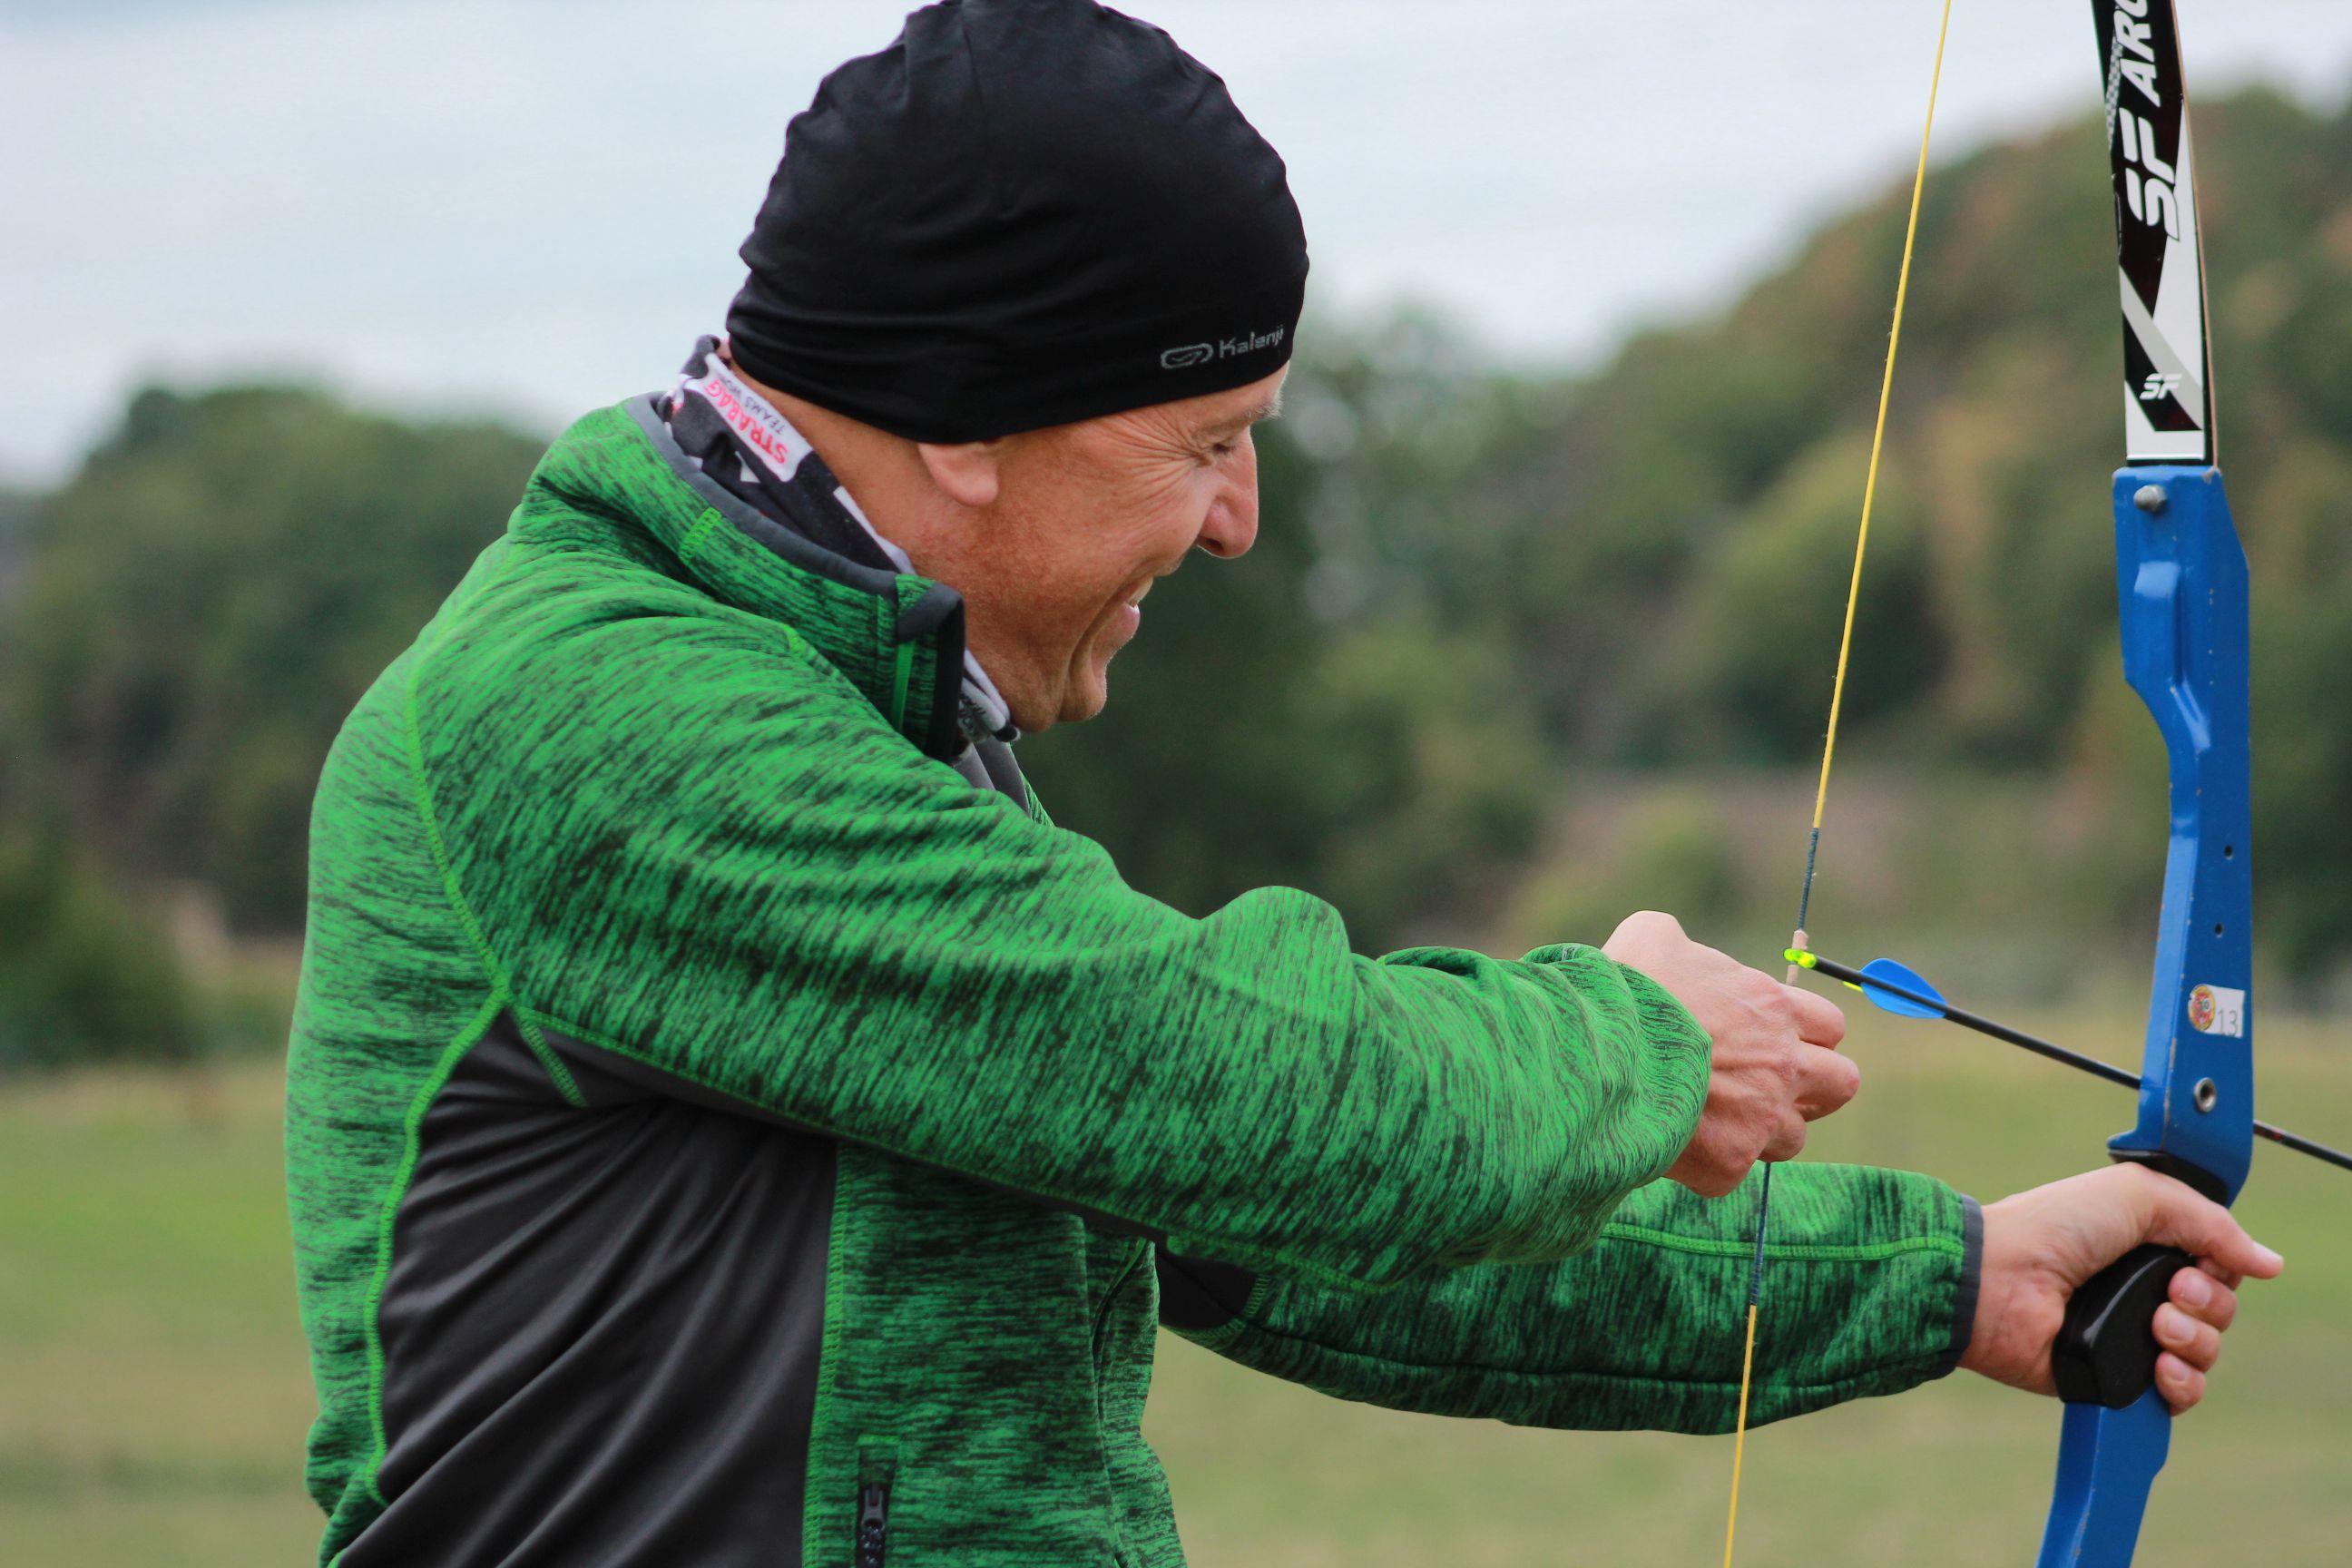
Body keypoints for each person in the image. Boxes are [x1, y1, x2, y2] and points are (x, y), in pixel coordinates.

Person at [281, 3, 2278, 1564]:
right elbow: (1230, 1085)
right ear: (967, 423)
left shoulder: (863, 716)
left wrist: (1950, 1276)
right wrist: (1631, 1041)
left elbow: (1270, 1223)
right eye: (1201, 438)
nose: (1237, 522)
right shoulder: (602, 720)